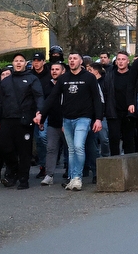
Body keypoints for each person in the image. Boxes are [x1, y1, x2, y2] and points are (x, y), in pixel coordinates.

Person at [37, 52, 104, 191]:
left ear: (81, 62)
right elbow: (52, 97)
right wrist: (41, 114)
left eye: (75, 59)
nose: (72, 61)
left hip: (84, 118)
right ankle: (73, 177)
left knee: (79, 146)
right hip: (67, 119)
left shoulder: (89, 77)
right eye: (70, 58)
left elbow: (97, 100)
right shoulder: (63, 79)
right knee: (72, 149)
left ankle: (77, 178)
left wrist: (98, 119)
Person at [0, 53, 45, 190]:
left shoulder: (32, 79)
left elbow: (39, 97)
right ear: (13, 63)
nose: (18, 63)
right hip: (6, 120)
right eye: (16, 61)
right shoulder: (5, 81)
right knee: (4, 147)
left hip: (24, 119)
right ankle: (14, 170)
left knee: (24, 152)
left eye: (21, 61)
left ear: (25, 63)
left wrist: (39, 113)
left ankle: (23, 178)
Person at [104, 51, 137, 156]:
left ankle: (130, 165)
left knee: (129, 140)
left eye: (123, 59)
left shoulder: (133, 75)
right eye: (118, 59)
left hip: (129, 112)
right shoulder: (110, 75)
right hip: (113, 112)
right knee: (114, 138)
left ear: (128, 61)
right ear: (115, 61)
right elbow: (105, 93)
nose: (121, 62)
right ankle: (115, 165)